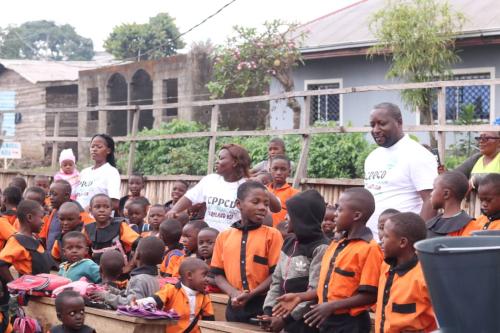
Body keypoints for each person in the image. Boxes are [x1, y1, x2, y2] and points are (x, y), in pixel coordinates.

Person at [275, 188, 382, 332]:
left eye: (340, 209)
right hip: (327, 319)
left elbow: (370, 296)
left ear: (356, 215)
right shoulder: (335, 245)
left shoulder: (369, 249)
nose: (335, 214)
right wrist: (300, 297)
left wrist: (332, 306)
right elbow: (327, 287)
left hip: (350, 324)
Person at [211, 181, 283, 322]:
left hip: (264, 307)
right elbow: (218, 275)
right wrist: (234, 293)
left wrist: (251, 294)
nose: (262, 208)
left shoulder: (273, 235)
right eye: (255, 202)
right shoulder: (224, 236)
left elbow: (276, 274)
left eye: (266, 204)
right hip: (234, 306)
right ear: (239, 204)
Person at [167, 144, 281, 232]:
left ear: (235, 162)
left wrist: (261, 187)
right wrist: (174, 210)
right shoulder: (210, 180)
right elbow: (189, 197)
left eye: (221, 158)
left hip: (234, 242)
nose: (217, 161)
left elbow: (277, 208)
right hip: (209, 241)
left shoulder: (247, 186)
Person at [365, 102, 437, 240]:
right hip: (372, 243)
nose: (376, 129)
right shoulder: (372, 157)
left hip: (403, 244)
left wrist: (416, 241)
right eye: (372, 125)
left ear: (399, 122)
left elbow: (431, 200)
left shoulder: (417, 154)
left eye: (382, 123)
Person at [260, 190, 329, 333]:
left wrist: (285, 319)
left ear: (302, 218)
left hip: (306, 324)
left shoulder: (321, 248)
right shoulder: (289, 241)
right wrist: (268, 312)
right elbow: (276, 281)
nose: (286, 217)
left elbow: (314, 292)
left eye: (290, 214)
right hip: (282, 319)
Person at [375, 212, 437, 333]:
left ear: (402, 242)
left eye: (386, 236)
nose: (381, 240)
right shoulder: (386, 266)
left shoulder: (425, 276)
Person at [136, 258, 215, 333]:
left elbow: (209, 322)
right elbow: (155, 300)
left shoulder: (205, 297)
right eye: (204, 275)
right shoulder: (171, 290)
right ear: (189, 275)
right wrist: (138, 303)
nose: (207, 279)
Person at [90, 236, 164, 309]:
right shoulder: (154, 278)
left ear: (137, 255)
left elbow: (132, 303)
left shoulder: (139, 279)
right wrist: (114, 291)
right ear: (161, 260)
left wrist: (106, 296)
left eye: (135, 251)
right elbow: (130, 295)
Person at [0, 200, 54, 281]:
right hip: (28, 290)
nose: (43, 222)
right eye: (41, 218)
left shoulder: (34, 238)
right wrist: (13, 285)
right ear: (29, 217)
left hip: (40, 287)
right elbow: (1, 263)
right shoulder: (17, 241)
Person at [83, 194, 139, 264]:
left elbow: (141, 244)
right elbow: (81, 249)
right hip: (96, 271)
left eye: (106, 207)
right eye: (97, 207)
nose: (102, 210)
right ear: (90, 210)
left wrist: (130, 266)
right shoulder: (87, 229)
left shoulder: (120, 226)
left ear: (111, 209)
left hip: (119, 271)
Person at [41, 180, 94, 253]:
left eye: (55, 194)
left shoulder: (83, 216)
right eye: (50, 194)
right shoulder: (54, 211)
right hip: (52, 257)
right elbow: (45, 235)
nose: (51, 197)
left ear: (66, 195)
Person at [75, 134, 121, 212]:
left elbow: (115, 202)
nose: (94, 149)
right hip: (79, 219)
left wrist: (90, 210)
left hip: (98, 222)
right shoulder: (84, 172)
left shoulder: (111, 172)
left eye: (99, 147)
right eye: (92, 146)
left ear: (108, 150)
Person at [426, 171, 475, 238]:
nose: (431, 193)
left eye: (434, 188)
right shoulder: (430, 224)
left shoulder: (469, 226)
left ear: (446, 194)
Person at [267, 155, 300, 228]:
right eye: (275, 169)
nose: (278, 172)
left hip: (283, 235)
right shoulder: (263, 191)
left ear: (289, 172)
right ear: (269, 170)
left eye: (283, 169)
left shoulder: (295, 194)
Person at [197, 227, 219, 292]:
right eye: (201, 243)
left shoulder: (222, 266)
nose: (204, 246)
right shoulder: (198, 264)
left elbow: (221, 282)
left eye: (209, 243)